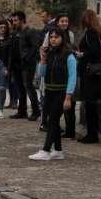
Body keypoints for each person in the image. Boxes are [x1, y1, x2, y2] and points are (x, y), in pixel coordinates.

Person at [30, 27, 77, 161]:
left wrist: (68, 97)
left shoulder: (69, 55)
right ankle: (58, 150)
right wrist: (43, 60)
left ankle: (45, 150)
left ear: (62, 38)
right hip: (49, 91)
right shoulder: (49, 53)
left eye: (56, 37)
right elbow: (41, 74)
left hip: (62, 92)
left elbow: (72, 77)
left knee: (53, 120)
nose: (53, 40)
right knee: (52, 121)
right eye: (51, 37)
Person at [75, 10, 101, 144]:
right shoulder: (96, 32)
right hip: (95, 73)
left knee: (90, 104)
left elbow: (94, 52)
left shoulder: (90, 33)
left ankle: (92, 134)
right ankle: (92, 133)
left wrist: (81, 54)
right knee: (91, 104)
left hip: (90, 74)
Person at [8, 10, 40, 120]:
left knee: (28, 86)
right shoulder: (14, 33)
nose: (14, 22)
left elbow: (35, 47)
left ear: (22, 20)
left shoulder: (30, 32)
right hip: (16, 64)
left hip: (27, 64)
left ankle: (36, 111)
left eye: (16, 20)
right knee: (20, 88)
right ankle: (22, 111)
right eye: (13, 20)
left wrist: (27, 59)